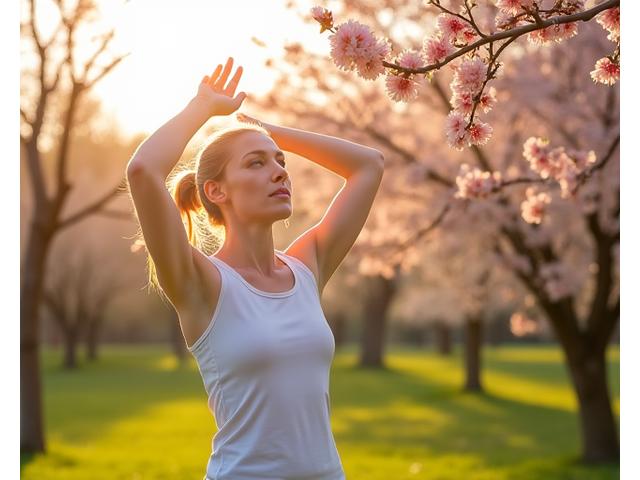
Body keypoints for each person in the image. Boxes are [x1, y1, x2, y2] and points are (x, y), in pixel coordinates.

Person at [126, 57, 384, 480]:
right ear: (215, 190)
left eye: (280, 162)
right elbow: (143, 170)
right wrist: (202, 108)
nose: (280, 172)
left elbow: (369, 164)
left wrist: (271, 134)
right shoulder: (201, 284)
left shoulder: (307, 267)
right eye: (257, 163)